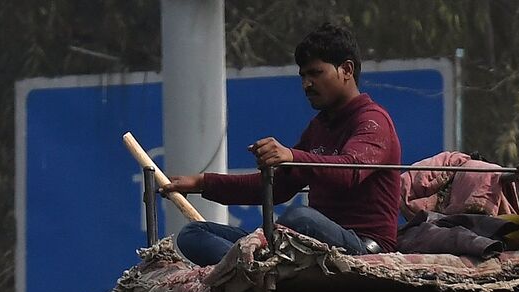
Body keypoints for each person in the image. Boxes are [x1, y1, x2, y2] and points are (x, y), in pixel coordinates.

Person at [164, 24, 401, 266]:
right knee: (192, 234)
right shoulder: (318, 127)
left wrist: (291, 155)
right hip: (310, 243)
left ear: (347, 70)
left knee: (301, 218)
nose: (306, 84)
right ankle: (252, 268)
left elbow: (351, 171)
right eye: (303, 76)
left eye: (316, 73)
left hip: (361, 247)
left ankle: (252, 265)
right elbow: (277, 188)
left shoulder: (372, 120)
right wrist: (203, 183)